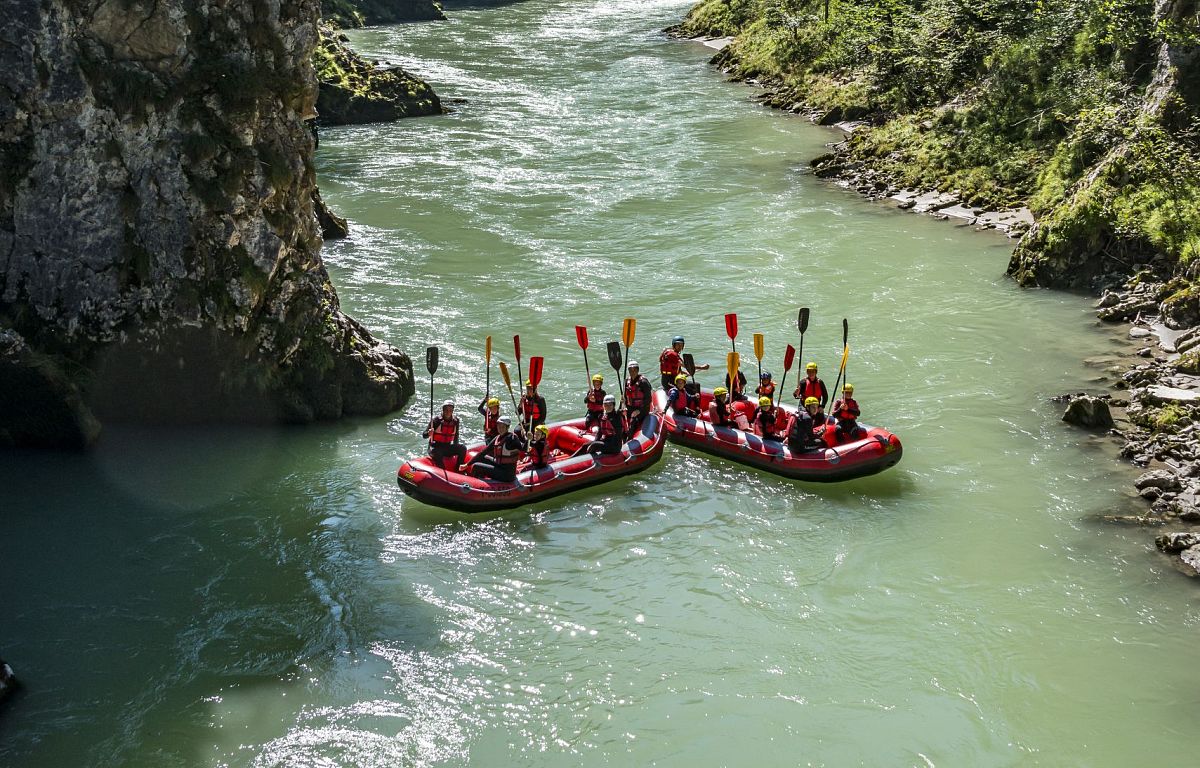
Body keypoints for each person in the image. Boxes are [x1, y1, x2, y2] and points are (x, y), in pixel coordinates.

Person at [466, 416, 528, 482]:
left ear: (507, 427)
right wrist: (467, 464)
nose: (500, 429)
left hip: (507, 474)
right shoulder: (498, 438)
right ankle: (480, 480)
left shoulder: (512, 439)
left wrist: (527, 440)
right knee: (483, 457)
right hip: (499, 465)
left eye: (502, 427)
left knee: (476, 466)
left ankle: (472, 484)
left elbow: (523, 449)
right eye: (499, 426)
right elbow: (483, 452)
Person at [423, 400, 467, 469]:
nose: (448, 412)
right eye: (446, 410)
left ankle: (458, 468)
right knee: (437, 453)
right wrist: (428, 433)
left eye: (450, 410)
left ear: (452, 411)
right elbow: (424, 435)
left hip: (447, 447)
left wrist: (456, 446)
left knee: (463, 448)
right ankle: (442, 471)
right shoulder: (436, 420)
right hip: (435, 447)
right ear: (443, 410)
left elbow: (456, 435)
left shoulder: (456, 421)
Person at [624, 360, 654, 431]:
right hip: (630, 407)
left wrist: (639, 410)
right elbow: (625, 397)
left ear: (638, 370)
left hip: (642, 408)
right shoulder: (626, 382)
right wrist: (623, 407)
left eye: (635, 370)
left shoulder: (643, 382)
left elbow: (648, 399)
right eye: (630, 370)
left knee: (633, 422)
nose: (632, 372)